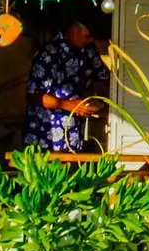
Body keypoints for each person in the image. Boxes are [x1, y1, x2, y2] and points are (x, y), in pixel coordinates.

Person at [23, 18, 111, 153]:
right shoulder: (48, 53)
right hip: (46, 138)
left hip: (74, 137)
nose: (90, 41)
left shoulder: (88, 51)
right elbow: (33, 96)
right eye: (87, 37)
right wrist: (67, 104)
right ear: (75, 29)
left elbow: (104, 79)